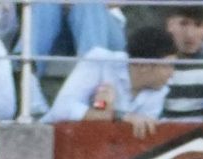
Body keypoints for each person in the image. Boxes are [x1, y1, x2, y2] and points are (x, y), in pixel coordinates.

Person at [43, 24, 178, 137]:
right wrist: (117, 116)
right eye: (167, 66)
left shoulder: (160, 87)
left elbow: (138, 133)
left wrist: (105, 114)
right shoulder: (100, 61)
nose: (172, 74)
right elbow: (61, 109)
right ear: (143, 65)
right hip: (51, 143)